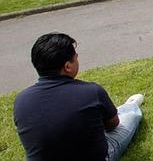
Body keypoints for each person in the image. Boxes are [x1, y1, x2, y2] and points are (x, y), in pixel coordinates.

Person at [14, 33, 144, 161]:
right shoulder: (91, 91)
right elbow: (113, 125)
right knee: (131, 115)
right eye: (75, 57)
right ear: (68, 66)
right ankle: (130, 106)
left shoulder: (20, 101)